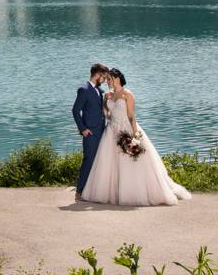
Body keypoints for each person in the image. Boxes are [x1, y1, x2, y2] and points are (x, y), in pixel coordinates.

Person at [80, 67, 192, 206]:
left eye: (109, 79)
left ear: (117, 78)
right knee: (109, 163)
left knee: (130, 161)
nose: (107, 81)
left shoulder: (128, 95)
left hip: (126, 129)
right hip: (110, 132)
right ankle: (112, 193)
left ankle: (132, 193)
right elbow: (107, 114)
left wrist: (135, 135)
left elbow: (132, 116)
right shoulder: (107, 95)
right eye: (107, 79)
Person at [71, 63, 109, 198]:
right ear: (97, 75)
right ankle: (79, 191)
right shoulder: (84, 89)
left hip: (102, 131)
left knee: (99, 160)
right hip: (91, 133)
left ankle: (92, 190)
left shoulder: (99, 90)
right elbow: (75, 111)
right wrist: (83, 129)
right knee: (89, 160)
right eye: (103, 77)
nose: (104, 81)